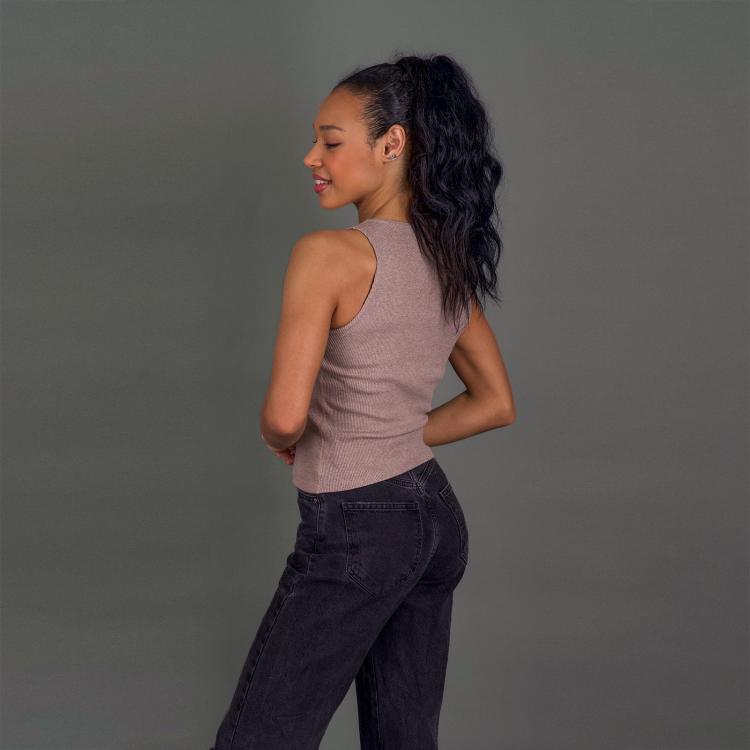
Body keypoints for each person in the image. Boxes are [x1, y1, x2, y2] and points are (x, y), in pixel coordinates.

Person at [210, 52, 515, 750]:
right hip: (433, 519)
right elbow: (495, 402)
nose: (311, 156)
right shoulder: (447, 261)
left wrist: (284, 435)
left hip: (356, 530)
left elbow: (284, 416)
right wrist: (389, 435)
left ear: (392, 143)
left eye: (331, 140)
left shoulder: (327, 255)